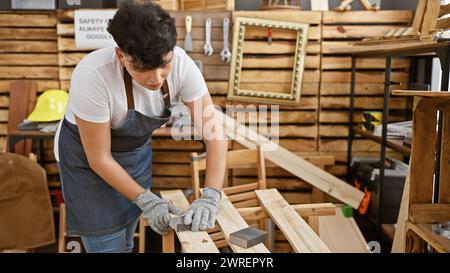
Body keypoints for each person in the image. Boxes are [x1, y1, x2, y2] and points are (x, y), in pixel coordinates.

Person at [54, 2, 227, 253]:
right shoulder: (93, 75)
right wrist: (146, 199)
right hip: (87, 163)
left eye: (164, 65)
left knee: (127, 240)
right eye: (143, 68)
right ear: (121, 56)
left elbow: (215, 134)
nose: (156, 78)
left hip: (134, 155)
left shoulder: (181, 64)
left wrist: (211, 194)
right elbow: (99, 158)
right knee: (108, 245)